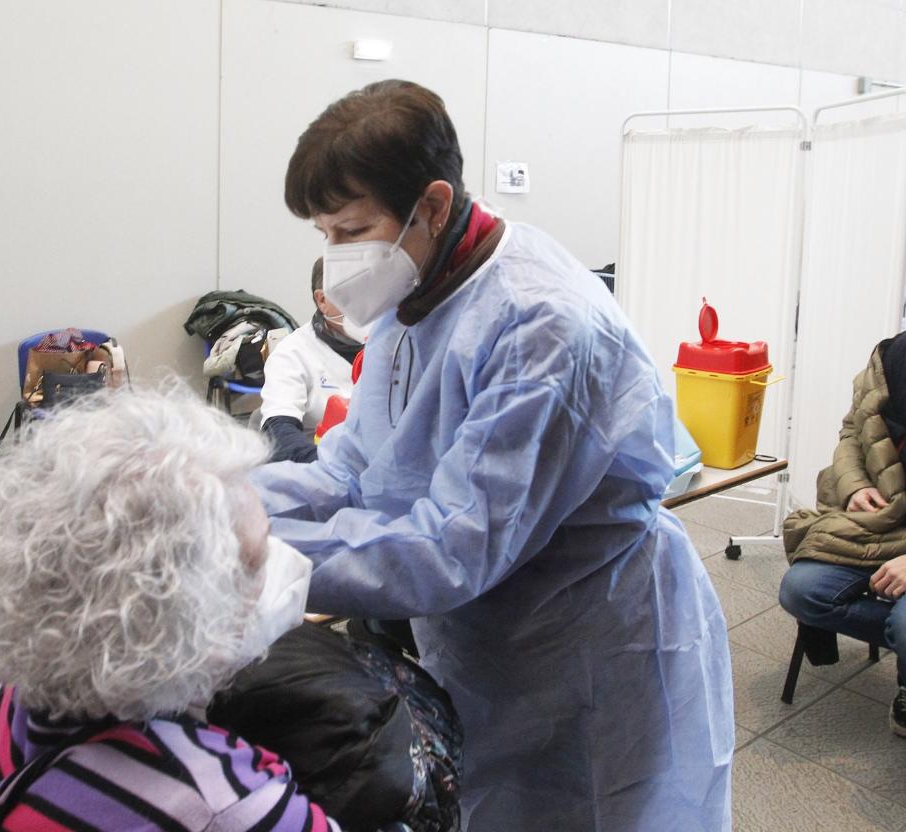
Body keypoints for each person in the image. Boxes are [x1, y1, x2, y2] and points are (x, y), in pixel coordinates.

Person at [250, 79, 734, 830]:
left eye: (351, 231)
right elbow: (353, 467)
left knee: (597, 810)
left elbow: (451, 546)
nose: (337, 256)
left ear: (434, 205)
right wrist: (228, 500)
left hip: (593, 643)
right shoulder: (418, 294)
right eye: (325, 235)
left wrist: (253, 551)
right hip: (489, 643)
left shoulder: (541, 324)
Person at [0, 387, 337, 831]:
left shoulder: (23, 689)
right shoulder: (222, 802)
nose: (279, 563)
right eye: (259, 558)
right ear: (187, 617)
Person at [780, 332, 906, 736]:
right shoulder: (891, 358)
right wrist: (853, 485)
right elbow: (853, 431)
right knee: (801, 590)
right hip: (879, 519)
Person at [260, 258, 360, 463]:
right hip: (319, 468)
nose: (364, 302)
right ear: (322, 299)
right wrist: (329, 468)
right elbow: (278, 432)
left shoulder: (395, 344)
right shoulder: (292, 354)